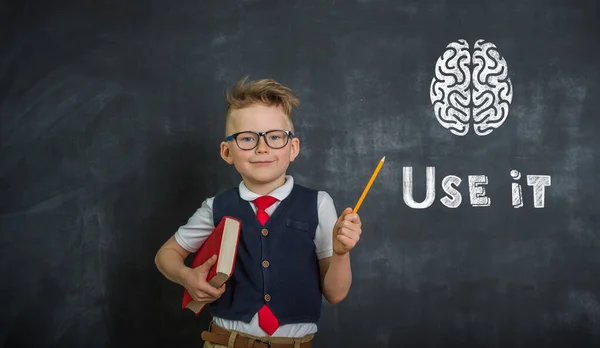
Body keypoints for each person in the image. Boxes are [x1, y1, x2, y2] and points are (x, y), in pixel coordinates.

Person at [154, 77, 362, 348]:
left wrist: (341, 254)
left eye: (275, 137)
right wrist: (186, 277)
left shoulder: (318, 204)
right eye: (247, 138)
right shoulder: (215, 206)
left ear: (293, 148)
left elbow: (335, 293)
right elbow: (165, 256)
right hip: (225, 343)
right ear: (227, 152)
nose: (262, 147)